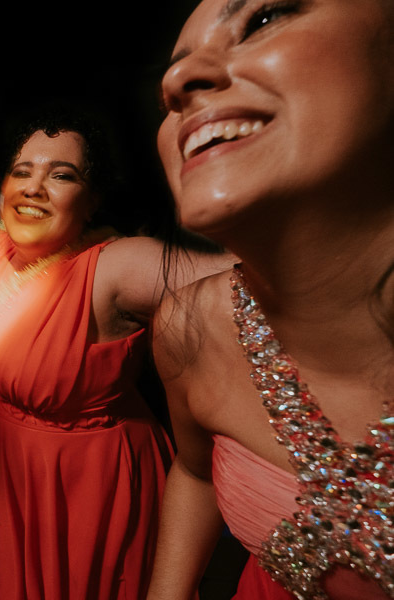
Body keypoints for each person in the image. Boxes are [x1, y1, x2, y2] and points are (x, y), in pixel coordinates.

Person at [0, 107, 231, 599]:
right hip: (11, 490)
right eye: (21, 172)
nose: (33, 187)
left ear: (91, 202)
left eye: (61, 175)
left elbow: (249, 281)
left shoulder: (114, 266)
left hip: (89, 494)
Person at [146, 1, 394, 598]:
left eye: (261, 20)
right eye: (172, 76)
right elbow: (195, 469)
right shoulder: (187, 326)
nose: (176, 82)